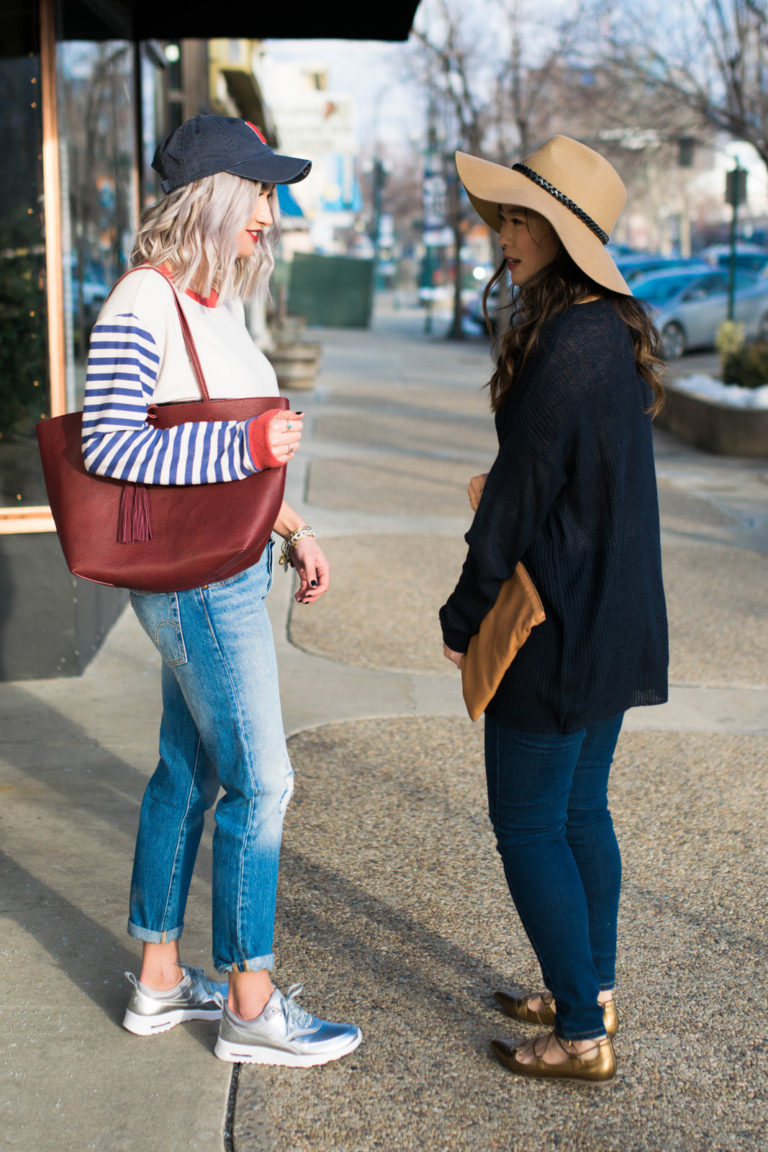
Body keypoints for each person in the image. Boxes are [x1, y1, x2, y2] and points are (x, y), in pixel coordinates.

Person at [81, 115, 361, 1068]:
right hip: (196, 582)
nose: (272, 218)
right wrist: (246, 443)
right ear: (216, 196)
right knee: (263, 781)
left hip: (229, 565)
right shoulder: (141, 303)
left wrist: (290, 525)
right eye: (262, 196)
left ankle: (162, 982)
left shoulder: (208, 305)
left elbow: (228, 467)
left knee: (187, 772)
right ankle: (250, 1001)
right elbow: (109, 448)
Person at [439, 136, 668, 1083]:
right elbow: (566, 475)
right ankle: (589, 988)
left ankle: (579, 1034)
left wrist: (464, 615)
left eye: (522, 217)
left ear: (567, 235)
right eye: (503, 213)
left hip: (558, 623)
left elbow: (520, 500)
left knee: (530, 824)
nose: (503, 232)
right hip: (612, 614)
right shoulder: (600, 332)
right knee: (580, 812)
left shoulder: (569, 343)